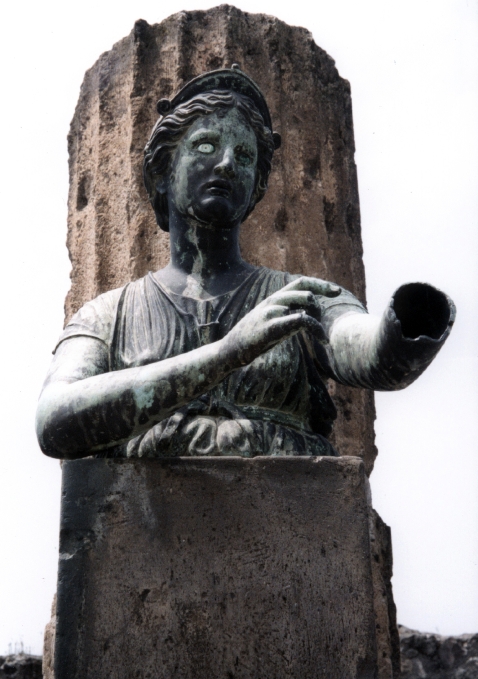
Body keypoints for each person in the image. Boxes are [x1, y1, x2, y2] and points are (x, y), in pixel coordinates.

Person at [36, 67, 455, 460]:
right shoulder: (107, 317)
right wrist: (227, 354)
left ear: (256, 188)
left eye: (244, 155)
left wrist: (403, 332)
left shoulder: (301, 300)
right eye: (205, 145)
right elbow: (54, 421)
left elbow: (369, 353)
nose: (226, 163)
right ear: (163, 172)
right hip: (140, 521)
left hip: (294, 519)